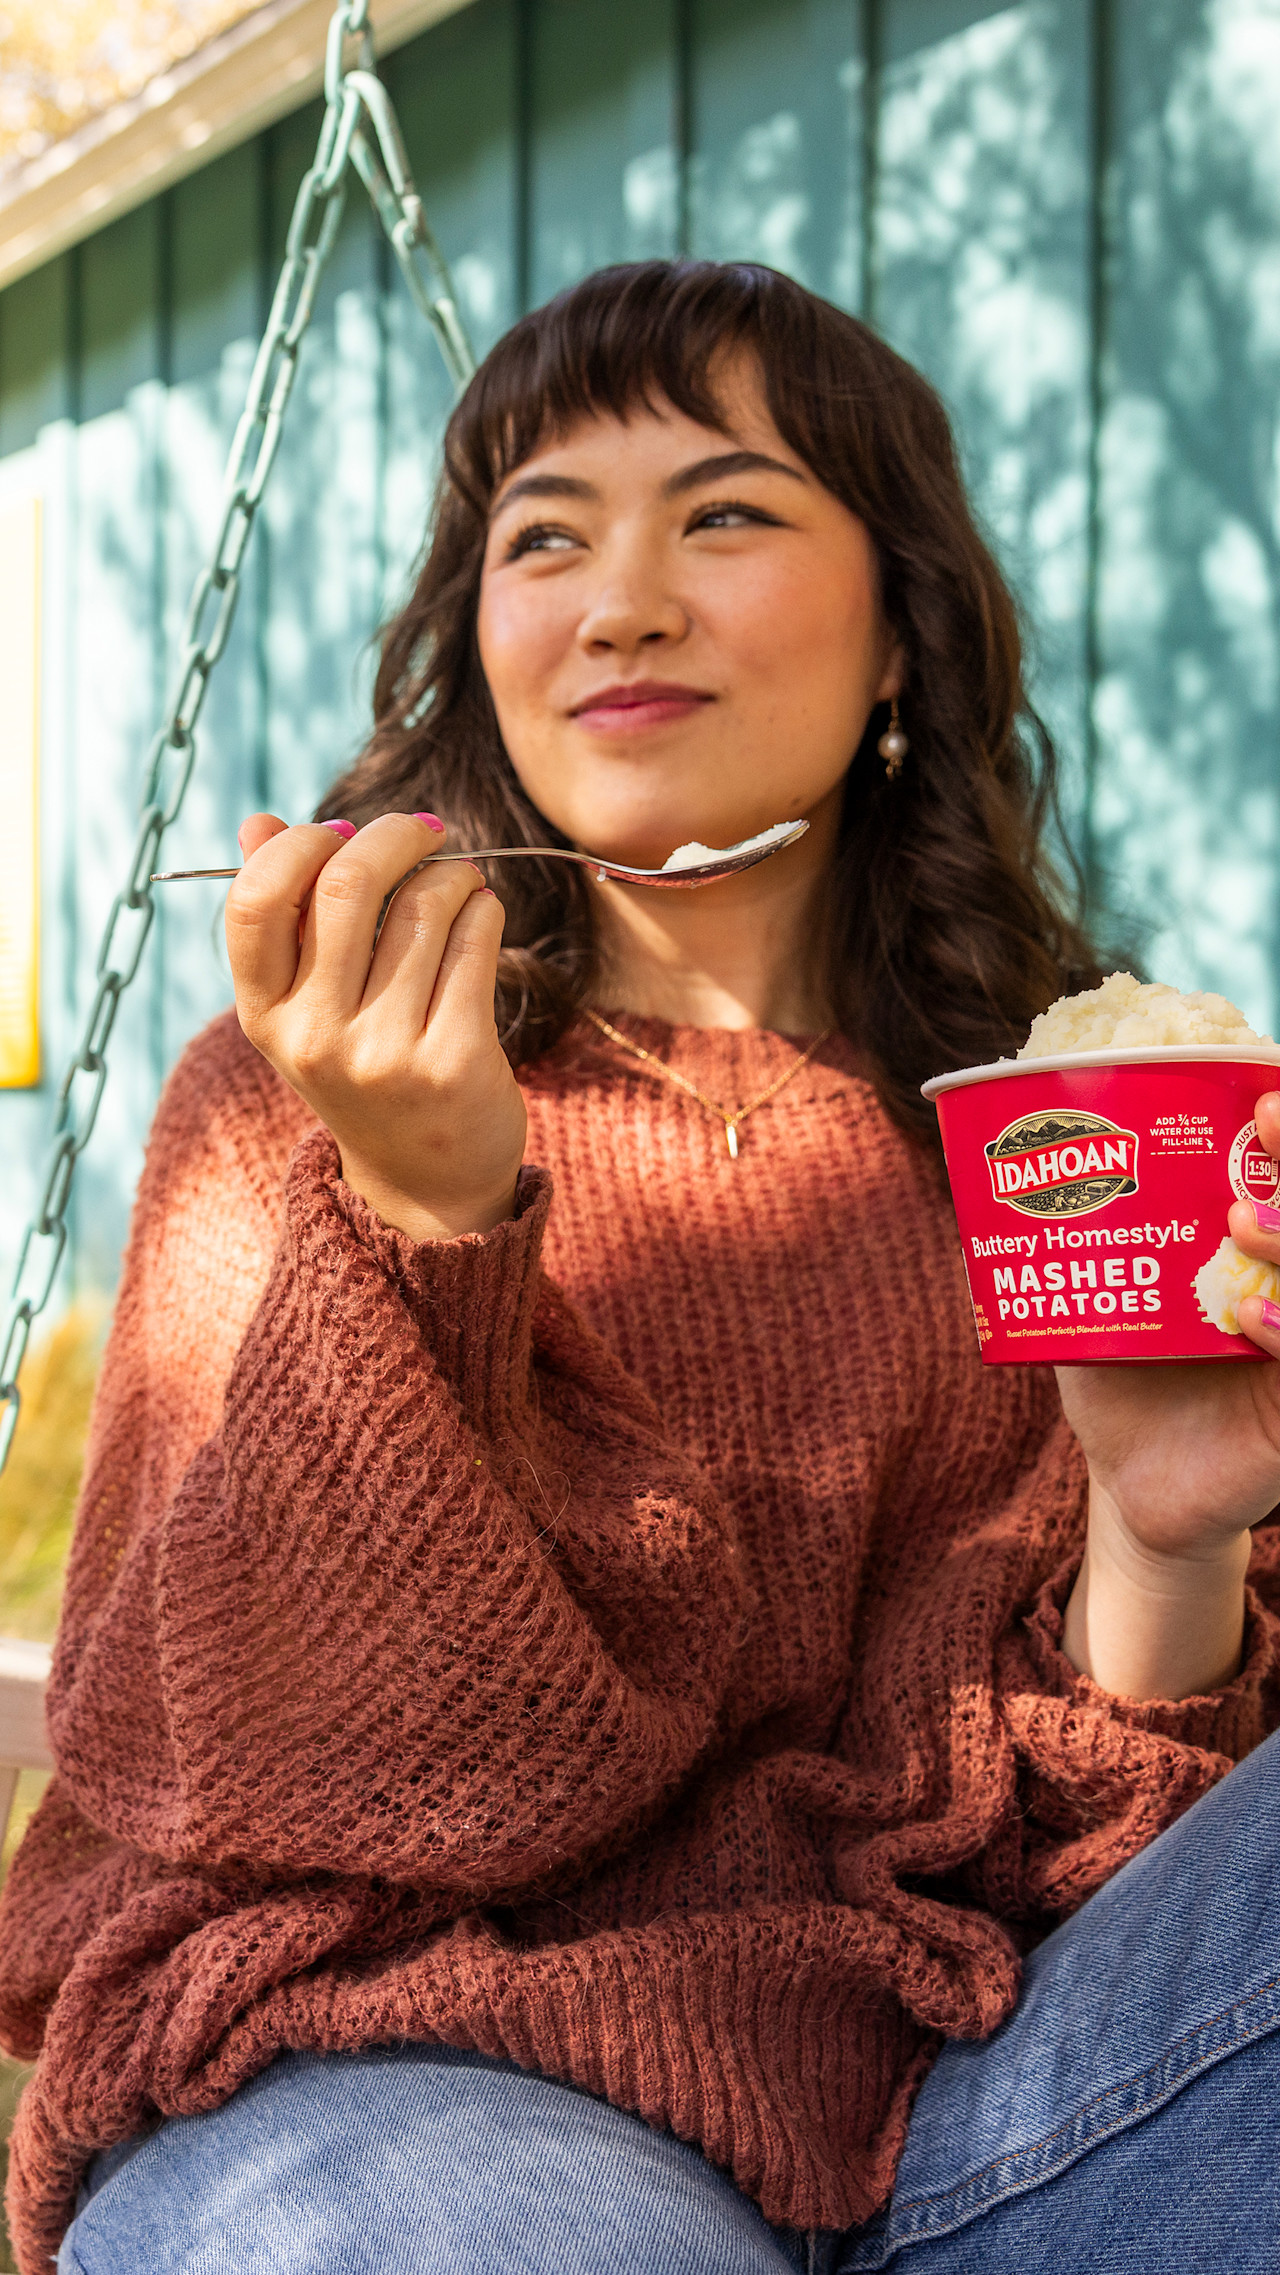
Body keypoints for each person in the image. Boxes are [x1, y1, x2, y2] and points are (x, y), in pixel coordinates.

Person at [2, 259, 1279, 2275]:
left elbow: (1095, 1883)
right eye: (543, 536)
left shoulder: (1053, 1145)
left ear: (899, 641)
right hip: (403, 2085)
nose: (622, 599)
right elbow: (313, 1784)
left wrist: (1162, 1527)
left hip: (976, 2131)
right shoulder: (294, 1101)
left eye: (726, 511)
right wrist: (429, 1223)